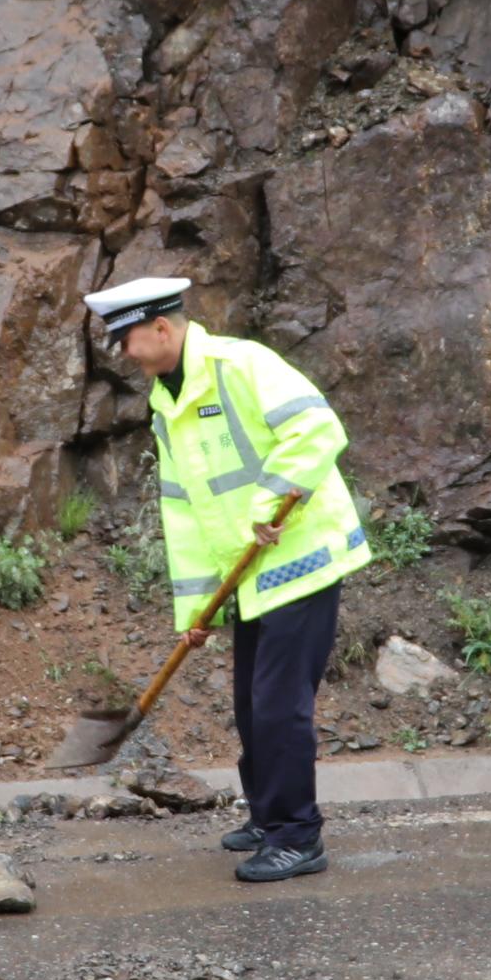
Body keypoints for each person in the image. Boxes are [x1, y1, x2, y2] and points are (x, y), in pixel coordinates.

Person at [85, 275, 366, 882]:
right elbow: (183, 509)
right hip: (249, 576)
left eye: (128, 341)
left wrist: (267, 505)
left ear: (162, 328)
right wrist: (197, 612)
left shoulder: (241, 363)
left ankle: (298, 836)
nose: (125, 356)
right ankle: (269, 817)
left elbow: (317, 428)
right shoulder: (167, 398)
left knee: (278, 706)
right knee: (249, 705)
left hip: (302, 559)